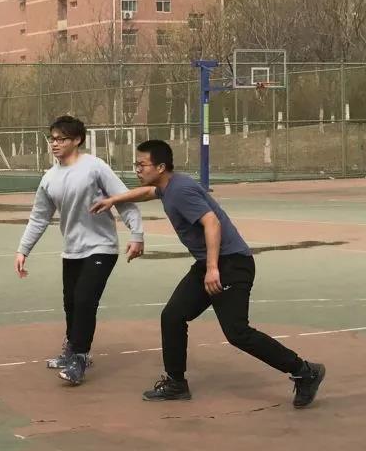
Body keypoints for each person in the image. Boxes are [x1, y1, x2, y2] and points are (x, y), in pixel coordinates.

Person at [91, 140, 326, 407]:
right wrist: (114, 199)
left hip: (230, 264)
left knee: (237, 333)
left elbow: (211, 223)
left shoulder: (180, 190)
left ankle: (305, 371)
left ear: (161, 167)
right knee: (173, 316)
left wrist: (213, 269)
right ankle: (176, 383)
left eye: (141, 164)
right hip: (210, 263)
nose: (137, 169)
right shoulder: (168, 186)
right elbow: (148, 192)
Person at [16, 116, 144, 386]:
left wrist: (137, 234)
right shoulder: (49, 178)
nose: (54, 144)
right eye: (52, 138)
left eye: (61, 139)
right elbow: (39, 217)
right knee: (71, 303)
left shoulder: (95, 167)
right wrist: (23, 250)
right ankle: (72, 348)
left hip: (101, 247)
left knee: (85, 300)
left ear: (77, 140)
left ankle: (80, 358)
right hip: (72, 250)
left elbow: (124, 199)